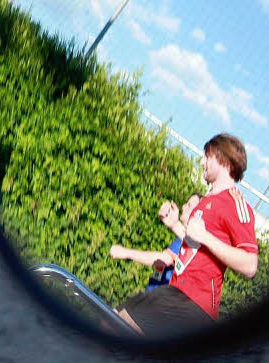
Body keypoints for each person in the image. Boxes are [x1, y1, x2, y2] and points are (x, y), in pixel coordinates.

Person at [116, 134, 259, 339]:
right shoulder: (207, 199)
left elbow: (250, 265)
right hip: (176, 293)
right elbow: (196, 246)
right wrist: (175, 224)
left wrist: (205, 236)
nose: (202, 162)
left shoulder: (236, 205)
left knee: (114, 325)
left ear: (222, 159)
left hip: (192, 303)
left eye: (207, 157)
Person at [110, 193, 202, 292]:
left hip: (159, 302)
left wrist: (125, 252)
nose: (183, 206)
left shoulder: (187, 241)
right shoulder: (182, 238)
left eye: (189, 205)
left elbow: (164, 259)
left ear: (197, 214)